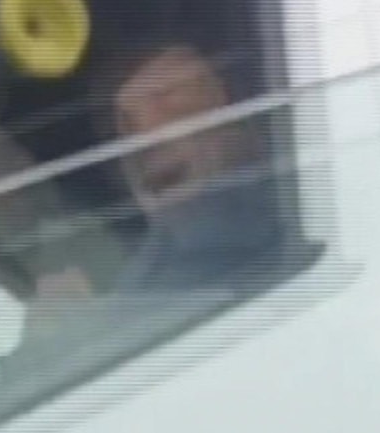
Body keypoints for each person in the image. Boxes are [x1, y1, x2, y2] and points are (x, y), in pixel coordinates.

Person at [103, 43, 280, 292]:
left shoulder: (293, 181)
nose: (147, 129)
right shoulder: (152, 262)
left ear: (220, 95)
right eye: (128, 121)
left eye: (165, 96)